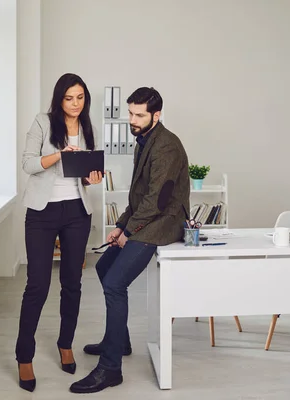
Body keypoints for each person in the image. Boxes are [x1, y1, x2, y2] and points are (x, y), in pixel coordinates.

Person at [69, 87, 190, 394]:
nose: (132, 120)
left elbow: (157, 201)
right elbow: (138, 196)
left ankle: (111, 369)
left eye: (139, 115)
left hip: (164, 222)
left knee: (114, 283)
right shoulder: (143, 141)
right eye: (130, 113)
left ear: (156, 115)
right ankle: (119, 342)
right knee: (104, 268)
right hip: (147, 218)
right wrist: (121, 224)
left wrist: (128, 231)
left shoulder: (167, 147)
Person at [16, 73, 103, 393]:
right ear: (59, 99)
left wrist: (92, 178)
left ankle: (65, 344)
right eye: (69, 98)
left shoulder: (88, 127)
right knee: (37, 285)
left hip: (76, 213)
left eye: (80, 97)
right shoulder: (42, 123)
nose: (76, 103)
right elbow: (28, 164)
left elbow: (85, 175)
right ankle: (24, 356)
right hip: (42, 212)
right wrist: (60, 155)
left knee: (73, 284)